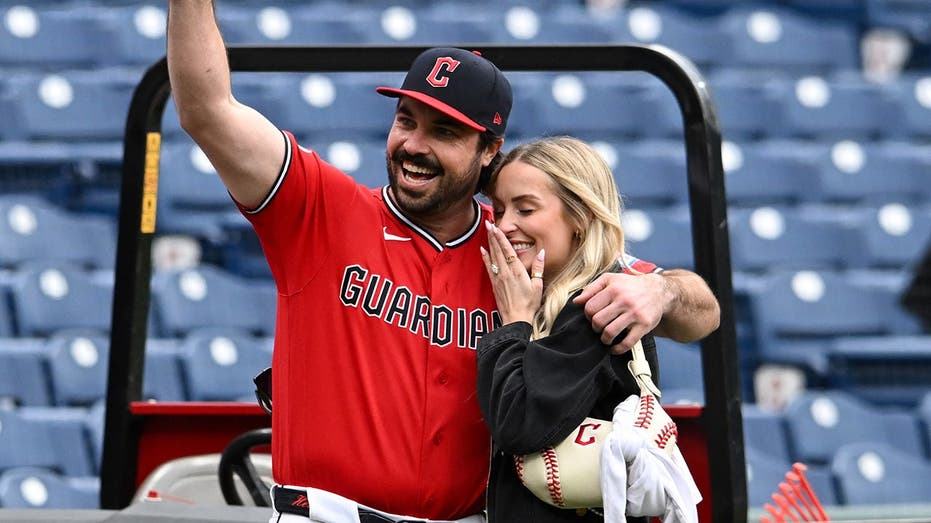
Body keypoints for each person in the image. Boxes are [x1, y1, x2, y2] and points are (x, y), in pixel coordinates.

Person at [167, 3, 719, 521]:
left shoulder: (518, 245)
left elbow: (703, 313)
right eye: (406, 120)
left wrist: (662, 291)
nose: (414, 144)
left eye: (445, 131)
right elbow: (206, 110)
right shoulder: (320, 211)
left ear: (488, 151)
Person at [477, 136, 718, 522]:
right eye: (500, 209)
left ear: (580, 216)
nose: (504, 225)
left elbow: (518, 425)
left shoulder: (597, 303)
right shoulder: (547, 289)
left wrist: (515, 323)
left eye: (526, 209)